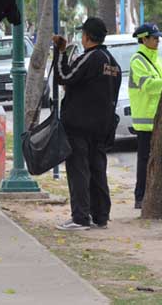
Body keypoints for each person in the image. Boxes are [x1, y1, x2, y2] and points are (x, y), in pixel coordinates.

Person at [52, 17, 122, 231]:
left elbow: (63, 76)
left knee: (79, 171)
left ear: (87, 37)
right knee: (98, 170)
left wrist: (61, 53)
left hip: (79, 126)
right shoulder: (113, 63)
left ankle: (80, 217)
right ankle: (101, 216)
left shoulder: (90, 57)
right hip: (102, 127)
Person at [129, 23, 162, 209]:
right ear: (144, 39)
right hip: (145, 121)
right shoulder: (138, 60)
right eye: (154, 38)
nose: (157, 40)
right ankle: (140, 196)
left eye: (158, 37)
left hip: (158, 119)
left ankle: (150, 195)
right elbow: (149, 86)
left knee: (156, 160)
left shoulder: (157, 59)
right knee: (144, 161)